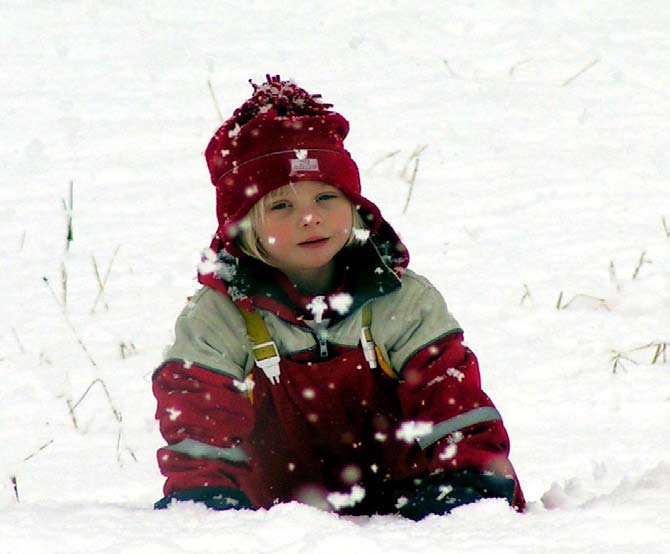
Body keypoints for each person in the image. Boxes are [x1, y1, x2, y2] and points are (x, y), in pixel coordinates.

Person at [152, 75, 525, 519]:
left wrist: (470, 480)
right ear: (246, 224)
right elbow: (200, 421)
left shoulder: (401, 299)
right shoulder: (218, 317)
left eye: (326, 197)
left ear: (354, 206)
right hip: (273, 524)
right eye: (282, 206)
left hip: (415, 507)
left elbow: (451, 401)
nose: (310, 217)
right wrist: (206, 502)